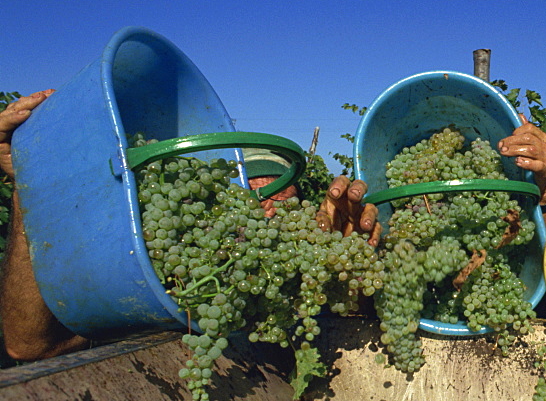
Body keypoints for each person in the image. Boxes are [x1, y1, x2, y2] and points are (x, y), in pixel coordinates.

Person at [0, 90, 380, 361]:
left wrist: (346, 268)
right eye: (255, 196)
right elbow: (29, 345)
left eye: (285, 202)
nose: (269, 213)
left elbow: (345, 326)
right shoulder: (155, 276)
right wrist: (34, 194)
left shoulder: (292, 287)